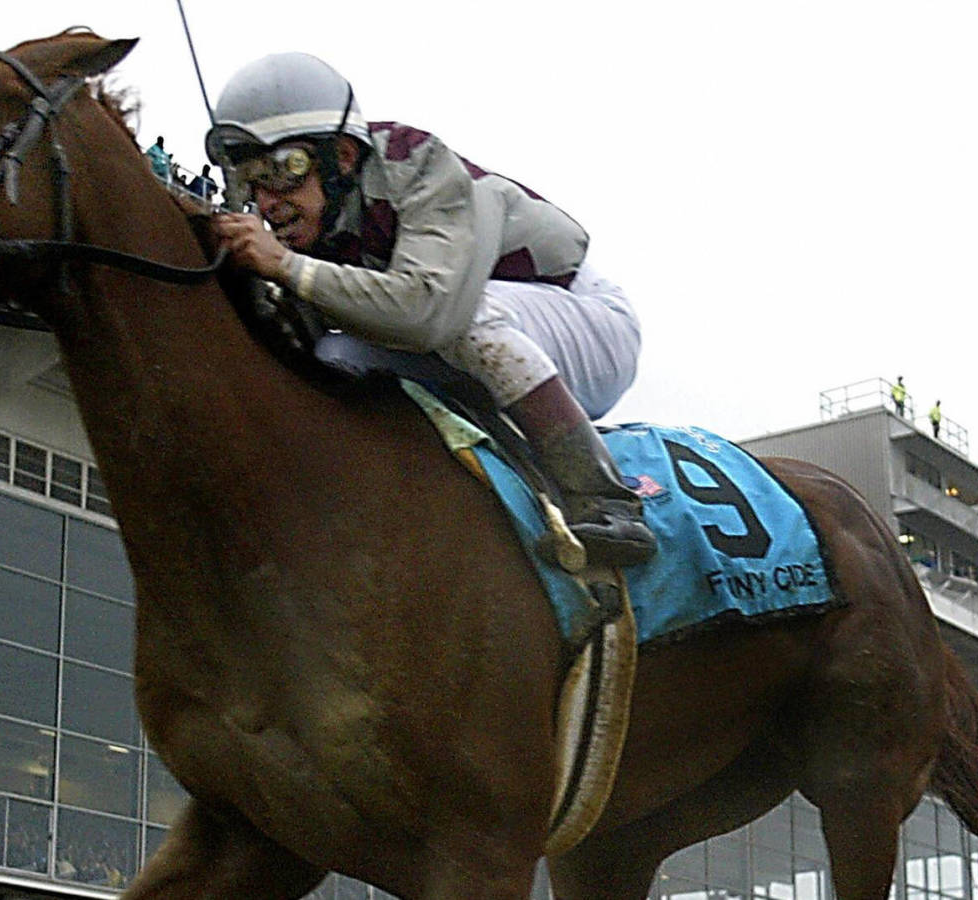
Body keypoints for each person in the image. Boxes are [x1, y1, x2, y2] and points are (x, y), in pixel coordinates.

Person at [204, 52, 655, 566]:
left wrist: (285, 267)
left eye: (285, 171)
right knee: (333, 353)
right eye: (249, 181)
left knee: (464, 320)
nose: (268, 202)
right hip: (480, 335)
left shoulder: (415, 163)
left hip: (586, 319)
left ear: (344, 158)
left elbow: (430, 312)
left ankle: (606, 500)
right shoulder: (311, 223)